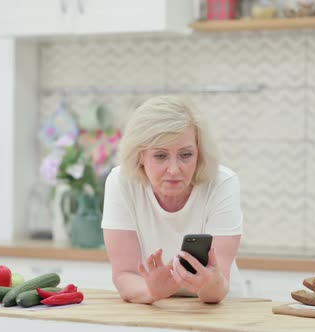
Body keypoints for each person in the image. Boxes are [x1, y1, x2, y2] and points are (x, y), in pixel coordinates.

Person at [101, 95, 245, 304]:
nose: (174, 169)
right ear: (140, 155)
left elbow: (218, 287)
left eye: (186, 155)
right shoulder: (121, 182)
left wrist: (208, 283)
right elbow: (124, 275)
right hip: (153, 305)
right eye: (160, 156)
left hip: (217, 307)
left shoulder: (222, 183)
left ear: (199, 152)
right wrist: (153, 292)